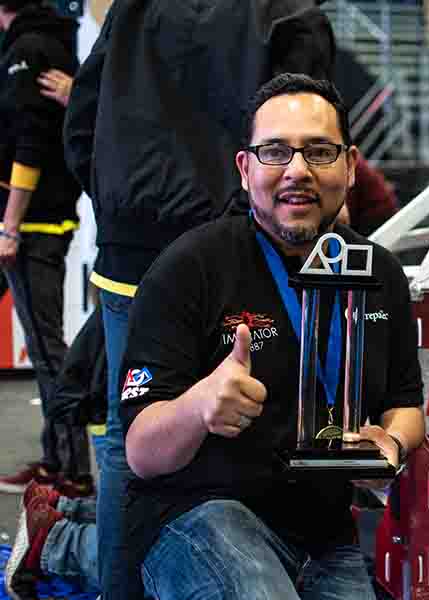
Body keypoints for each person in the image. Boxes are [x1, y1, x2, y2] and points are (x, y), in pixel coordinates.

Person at [62, 2, 335, 598]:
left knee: (126, 437)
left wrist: (119, 206)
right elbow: (307, 140)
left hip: (132, 252)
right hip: (229, 250)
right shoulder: (287, 12)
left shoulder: (135, 7)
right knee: (249, 431)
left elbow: (81, 121)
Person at [121, 73, 424, 600]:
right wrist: (197, 407)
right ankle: (69, 542)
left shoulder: (379, 273)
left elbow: (407, 404)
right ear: (245, 169)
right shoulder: (190, 268)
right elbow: (141, 454)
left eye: (320, 152)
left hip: (324, 535)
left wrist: (391, 442)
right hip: (198, 516)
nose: (298, 172)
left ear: (351, 166)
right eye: (276, 152)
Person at [0, 0, 81, 492]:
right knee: (50, 349)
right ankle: (62, 463)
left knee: (49, 351)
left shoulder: (29, 49)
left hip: (35, 226)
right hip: (36, 220)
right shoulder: (45, 42)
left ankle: (70, 471)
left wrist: (10, 225)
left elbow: (31, 142)